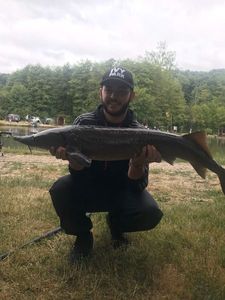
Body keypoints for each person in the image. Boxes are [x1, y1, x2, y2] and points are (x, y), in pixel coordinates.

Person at [49, 66, 163, 262]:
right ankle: (83, 236)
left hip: (121, 191)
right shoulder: (82, 124)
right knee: (61, 189)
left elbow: (137, 186)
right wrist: (72, 160)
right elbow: (78, 177)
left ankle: (116, 225)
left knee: (150, 213)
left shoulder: (140, 132)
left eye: (121, 91)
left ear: (132, 96)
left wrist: (137, 164)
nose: (114, 96)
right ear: (100, 91)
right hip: (90, 187)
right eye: (109, 90)